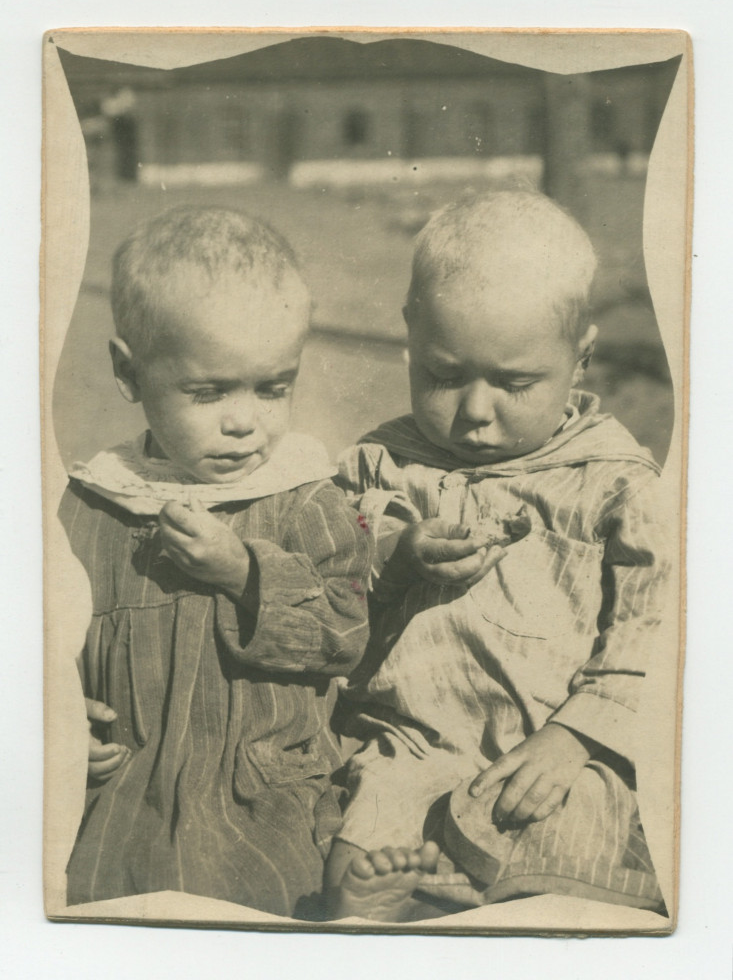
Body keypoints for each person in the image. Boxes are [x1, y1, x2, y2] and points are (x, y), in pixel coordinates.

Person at [326, 190, 671, 921]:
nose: (475, 412)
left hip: (552, 751)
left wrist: (578, 734)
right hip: (407, 744)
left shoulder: (614, 484)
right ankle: (379, 913)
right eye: (444, 377)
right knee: (353, 870)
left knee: (566, 874)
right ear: (411, 336)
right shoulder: (380, 464)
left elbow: (654, 627)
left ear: (580, 358)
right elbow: (322, 570)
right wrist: (392, 553)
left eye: (514, 384)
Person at [60, 206, 372, 919]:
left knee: (272, 916)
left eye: (273, 388)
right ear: (128, 372)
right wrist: (58, 711)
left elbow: (347, 633)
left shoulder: (304, 497)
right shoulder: (88, 506)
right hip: (119, 799)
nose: (244, 421)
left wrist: (245, 574)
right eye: (208, 393)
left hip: (266, 799)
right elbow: (39, 641)